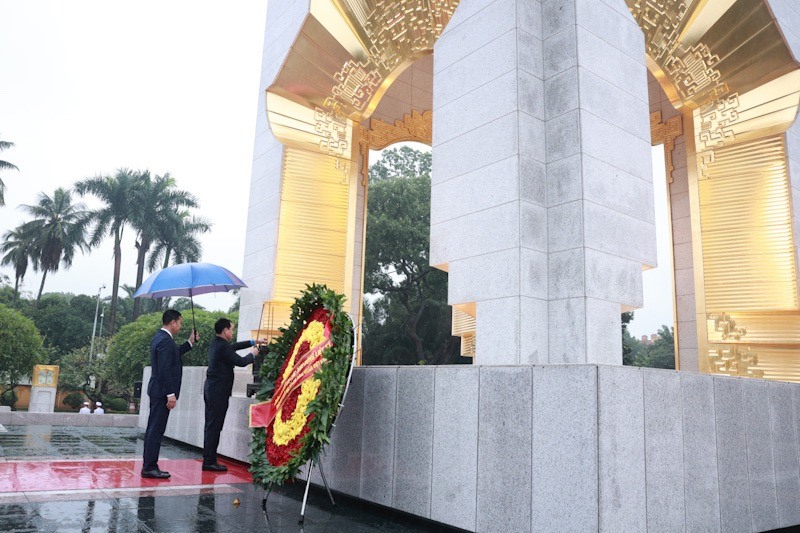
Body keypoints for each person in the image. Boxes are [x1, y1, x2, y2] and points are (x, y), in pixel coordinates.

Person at [141, 309, 197, 479]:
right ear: (172, 322)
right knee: (155, 431)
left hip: (157, 391)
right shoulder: (165, 341)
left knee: (154, 429)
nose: (180, 326)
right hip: (161, 392)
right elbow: (164, 369)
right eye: (180, 322)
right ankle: (150, 467)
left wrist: (190, 343)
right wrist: (170, 394)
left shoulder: (162, 338)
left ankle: (149, 465)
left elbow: (173, 356)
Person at [202, 317, 264, 471]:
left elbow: (234, 346)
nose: (233, 331)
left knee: (211, 425)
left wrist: (253, 342)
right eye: (232, 329)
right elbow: (242, 362)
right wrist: (253, 354)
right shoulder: (223, 347)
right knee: (214, 426)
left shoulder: (217, 343)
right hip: (218, 392)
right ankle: (209, 462)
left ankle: (209, 459)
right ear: (225, 330)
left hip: (211, 389)